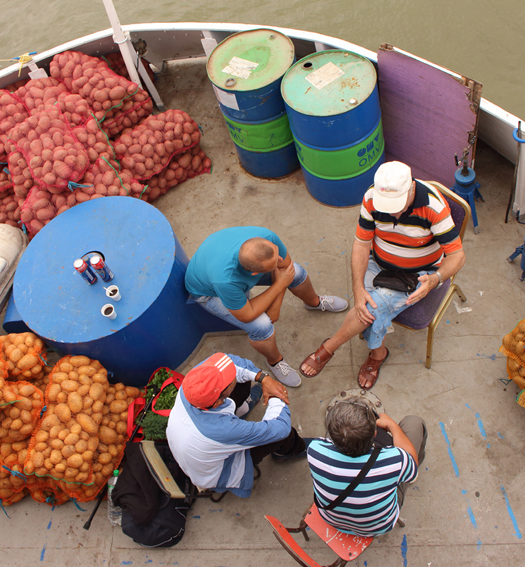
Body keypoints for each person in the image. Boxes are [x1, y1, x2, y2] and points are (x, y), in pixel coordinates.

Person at [300, 161, 465, 389]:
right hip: (378, 263)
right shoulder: (371, 198)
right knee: (367, 311)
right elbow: (361, 244)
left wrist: (436, 279)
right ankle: (378, 353)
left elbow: (457, 256)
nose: (390, 211)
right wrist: (357, 290)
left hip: (417, 275)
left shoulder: (433, 207)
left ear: (411, 189)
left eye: (395, 204)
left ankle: (330, 348)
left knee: (369, 311)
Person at [186, 226, 348, 388]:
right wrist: (279, 284)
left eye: (277, 254)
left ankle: (314, 302)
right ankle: (274, 361)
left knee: (296, 272)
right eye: (274, 263)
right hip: (209, 292)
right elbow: (247, 314)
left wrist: (276, 302)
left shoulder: (266, 238)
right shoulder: (226, 280)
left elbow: (286, 267)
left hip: (224, 269)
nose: (279, 259)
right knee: (261, 326)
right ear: (255, 274)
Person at [166, 352, 311, 498]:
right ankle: (289, 451)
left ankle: (240, 411)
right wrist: (275, 394)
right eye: (227, 382)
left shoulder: (192, 385)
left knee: (242, 379)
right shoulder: (223, 430)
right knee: (282, 436)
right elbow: (279, 428)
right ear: (217, 403)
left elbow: (230, 361)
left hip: (196, 449)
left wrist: (263, 378)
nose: (231, 375)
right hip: (220, 471)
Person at [306, 397, 427, 537]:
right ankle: (413, 464)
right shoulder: (395, 461)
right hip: (377, 527)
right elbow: (412, 466)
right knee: (414, 422)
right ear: (375, 433)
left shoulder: (314, 449)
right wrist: (392, 425)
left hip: (331, 519)